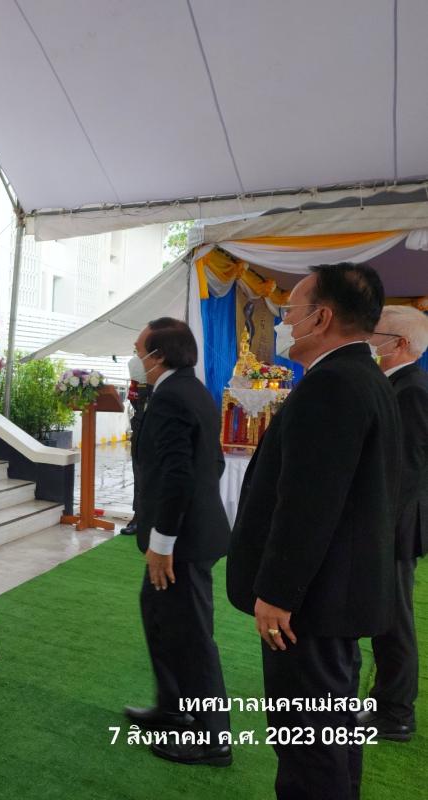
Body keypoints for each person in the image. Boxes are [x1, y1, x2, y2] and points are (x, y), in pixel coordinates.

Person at [226, 263, 401, 800]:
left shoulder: (332, 385)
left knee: (307, 743)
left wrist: (278, 592)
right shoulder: (366, 378)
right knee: (333, 730)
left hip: (311, 604)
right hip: (336, 595)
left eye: (289, 312)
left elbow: (309, 502)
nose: (282, 323)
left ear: (320, 318)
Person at [123, 317, 232, 766]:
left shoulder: (173, 397)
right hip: (190, 530)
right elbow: (212, 463)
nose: (135, 359)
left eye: (138, 350)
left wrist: (162, 542)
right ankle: (172, 708)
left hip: (181, 541)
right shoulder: (189, 389)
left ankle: (213, 739)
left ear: (159, 355)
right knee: (159, 616)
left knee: (190, 634)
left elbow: (178, 476)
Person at [357, 306, 428, 740]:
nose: (369, 342)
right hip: (391, 522)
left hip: (396, 524)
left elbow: (405, 470)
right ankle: (388, 700)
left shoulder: (411, 390)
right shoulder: (399, 385)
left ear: (400, 344)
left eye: (376, 335)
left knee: (394, 618)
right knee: (387, 613)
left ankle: (396, 711)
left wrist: (380, 526)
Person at [120, 378, 153, 536]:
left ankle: (156, 521)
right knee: (139, 477)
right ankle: (138, 518)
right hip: (140, 428)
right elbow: (133, 400)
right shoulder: (139, 375)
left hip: (161, 430)